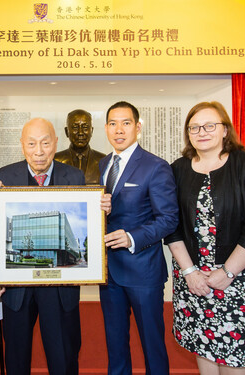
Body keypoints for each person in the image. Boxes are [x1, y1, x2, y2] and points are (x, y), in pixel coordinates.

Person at [0, 118, 104, 375]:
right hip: (15, 289)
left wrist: (101, 211)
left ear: (55, 143)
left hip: (60, 288)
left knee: (63, 356)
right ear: (22, 146)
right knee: (16, 358)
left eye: (45, 143)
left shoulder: (74, 176)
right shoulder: (4, 176)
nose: (38, 151)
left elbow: (86, 220)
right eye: (31, 143)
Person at [164, 101, 245, 374]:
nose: (202, 132)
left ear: (225, 130)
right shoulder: (178, 169)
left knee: (235, 356)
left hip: (242, 278)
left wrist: (227, 272)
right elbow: (172, 225)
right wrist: (189, 271)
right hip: (195, 279)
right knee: (203, 347)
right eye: (194, 127)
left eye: (210, 125)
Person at [99, 101, 178, 375]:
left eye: (126, 123)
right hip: (108, 272)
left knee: (152, 344)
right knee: (115, 344)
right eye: (112, 123)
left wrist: (132, 237)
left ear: (138, 127)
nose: (118, 130)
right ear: (106, 128)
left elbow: (168, 219)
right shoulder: (104, 164)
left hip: (143, 271)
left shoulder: (155, 166)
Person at [54, 109, 106, 184]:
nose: (80, 133)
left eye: (85, 127)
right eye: (75, 127)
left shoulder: (103, 161)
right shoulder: (55, 160)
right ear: (66, 131)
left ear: (91, 131)